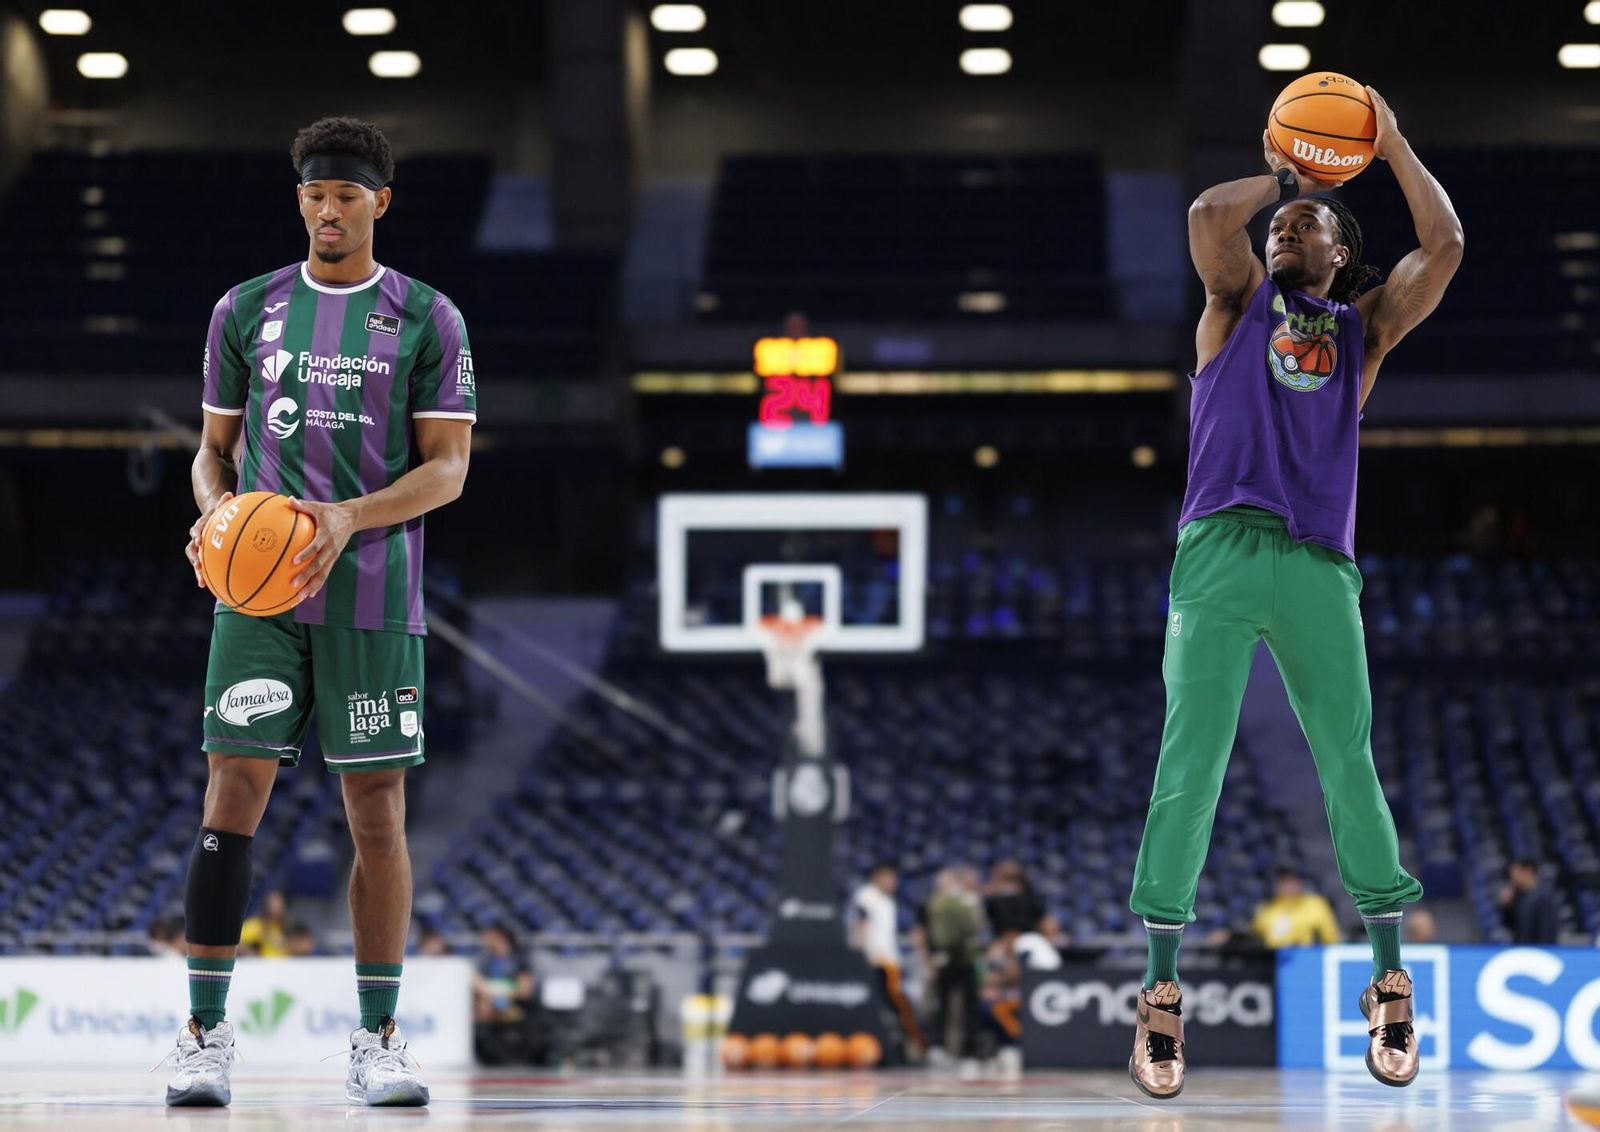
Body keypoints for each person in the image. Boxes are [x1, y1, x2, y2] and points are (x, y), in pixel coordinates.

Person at [1127, 87, 1462, 1099]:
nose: (1284, 230)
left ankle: (1388, 976)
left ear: (1337, 251)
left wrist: (1392, 142)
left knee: (1346, 762)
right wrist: (1286, 177)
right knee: (1189, 760)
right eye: (1277, 225)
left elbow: (1442, 245)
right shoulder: (1231, 307)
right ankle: (1158, 990)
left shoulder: (1362, 328)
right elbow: (1202, 219)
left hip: (1318, 558)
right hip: (1218, 550)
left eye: (1305, 224)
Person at [163, 116, 474, 1109]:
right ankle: (204, 1035)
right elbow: (212, 451)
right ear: (298, 199)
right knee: (230, 797)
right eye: (312, 194)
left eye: (345, 195)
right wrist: (217, 516)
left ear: (380, 200)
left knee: (376, 814)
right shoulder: (244, 308)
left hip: (374, 599)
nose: (326, 210)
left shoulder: (426, 318)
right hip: (257, 599)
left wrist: (343, 518)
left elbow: (448, 470)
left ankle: (379, 1037)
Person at [851, 862, 925, 1057]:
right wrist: (862, 952)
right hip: (878, 960)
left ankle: (908, 1047)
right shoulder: (868, 895)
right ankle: (917, 1046)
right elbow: (861, 923)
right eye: (889, 877)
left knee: (896, 1006)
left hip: (890, 960)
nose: (894, 882)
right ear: (878, 876)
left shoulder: (888, 901)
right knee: (897, 1004)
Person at [914, 868, 983, 1062]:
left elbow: (975, 929)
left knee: (966, 1006)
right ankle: (939, 1046)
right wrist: (928, 962)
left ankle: (965, 1048)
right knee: (941, 1005)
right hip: (944, 960)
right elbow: (923, 935)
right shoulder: (934, 904)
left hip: (960, 959)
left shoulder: (966, 902)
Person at [472, 924, 536, 1066]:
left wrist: (500, 993)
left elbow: (525, 989)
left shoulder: (518, 959)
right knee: (483, 1005)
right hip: (490, 1001)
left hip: (514, 1003)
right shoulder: (485, 960)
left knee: (489, 1005)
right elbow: (476, 981)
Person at [1252, 871, 1342, 948]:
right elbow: (1256, 936)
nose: (1288, 887)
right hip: (1273, 959)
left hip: (1308, 955)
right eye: (1284, 883)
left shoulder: (1315, 904)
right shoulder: (1267, 908)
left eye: (1291, 883)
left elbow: (1330, 936)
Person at [1499, 859, 1559, 945]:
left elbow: (1547, 931)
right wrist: (1507, 907)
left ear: (1528, 871)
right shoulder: (1519, 898)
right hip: (1523, 951)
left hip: (1537, 952)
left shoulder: (1544, 898)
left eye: (1516, 873)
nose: (1513, 878)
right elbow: (1511, 927)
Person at [237, 890, 291, 958]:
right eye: (275, 901)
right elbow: (236, 941)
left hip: (284, 966)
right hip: (264, 966)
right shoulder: (257, 925)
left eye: (280, 902)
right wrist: (251, 953)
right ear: (266, 904)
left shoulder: (284, 927)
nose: (278, 905)